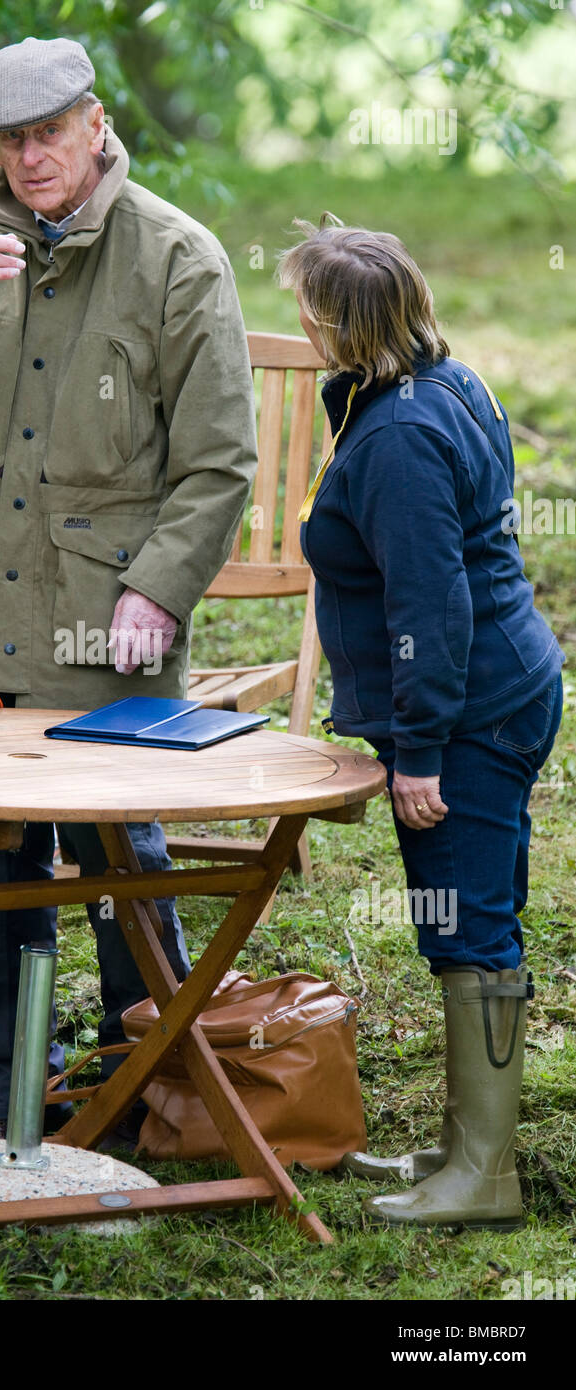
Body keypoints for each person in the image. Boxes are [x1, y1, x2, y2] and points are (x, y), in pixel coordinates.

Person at [0, 38, 258, 1143]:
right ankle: (7, 1096)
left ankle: (151, 1078)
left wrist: (161, 590)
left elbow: (220, 461)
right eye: (7, 140)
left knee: (117, 846)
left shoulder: (179, 257)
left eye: (46, 134)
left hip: (105, 621)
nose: (27, 158)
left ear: (95, 124)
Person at [277, 215, 564, 1228]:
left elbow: (429, 604)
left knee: (465, 922)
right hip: (507, 680)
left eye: (307, 307)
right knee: (474, 912)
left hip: (468, 708)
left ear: (336, 323)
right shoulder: (438, 382)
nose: (298, 320)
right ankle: (459, 1146)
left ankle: (482, 1176)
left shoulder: (395, 436)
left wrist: (422, 748)